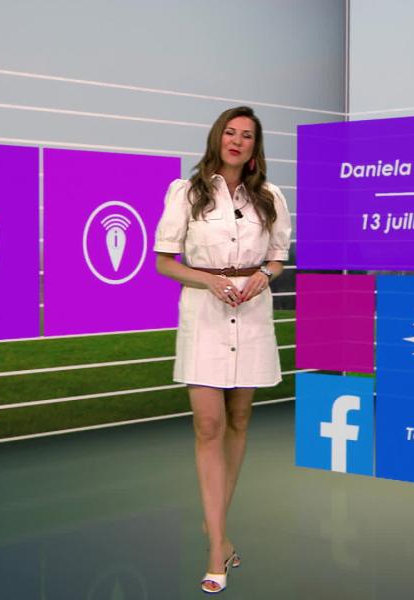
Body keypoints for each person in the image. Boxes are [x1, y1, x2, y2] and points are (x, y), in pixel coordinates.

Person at [152, 106, 291, 594]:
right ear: (218, 138)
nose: (237, 140)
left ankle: (217, 528)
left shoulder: (270, 196)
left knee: (239, 420)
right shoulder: (186, 192)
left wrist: (263, 276)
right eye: (230, 132)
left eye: (247, 135)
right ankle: (216, 549)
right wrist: (208, 280)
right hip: (205, 315)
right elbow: (164, 262)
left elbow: (277, 258)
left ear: (255, 146)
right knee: (208, 424)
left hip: (251, 314)